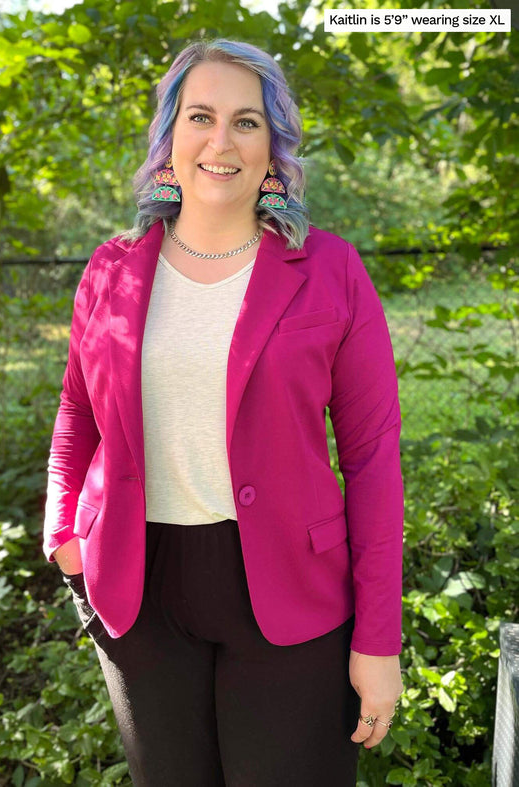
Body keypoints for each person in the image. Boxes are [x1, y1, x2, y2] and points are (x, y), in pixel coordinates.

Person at [43, 38, 404, 787]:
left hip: (291, 597)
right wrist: (63, 533)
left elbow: (371, 459)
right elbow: (77, 410)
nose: (221, 139)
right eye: (200, 115)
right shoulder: (111, 268)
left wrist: (379, 641)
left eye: (247, 121)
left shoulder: (331, 271)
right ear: (168, 139)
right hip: (138, 594)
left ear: (273, 147)